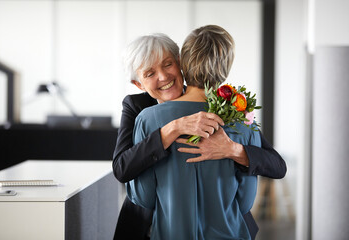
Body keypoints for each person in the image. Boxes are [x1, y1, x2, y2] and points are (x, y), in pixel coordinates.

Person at [113, 32, 286, 239]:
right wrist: (171, 129)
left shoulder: (229, 108)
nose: (163, 76)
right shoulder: (137, 109)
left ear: (181, 63)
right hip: (148, 228)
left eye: (167, 64)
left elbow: (277, 165)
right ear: (139, 84)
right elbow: (122, 167)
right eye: (150, 74)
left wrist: (233, 150)